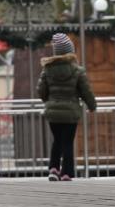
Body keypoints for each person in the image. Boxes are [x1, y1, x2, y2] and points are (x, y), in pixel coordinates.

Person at [38, 33, 97, 181]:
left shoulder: (47, 69)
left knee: (57, 140)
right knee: (68, 142)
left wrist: (49, 101)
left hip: (53, 112)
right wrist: (92, 106)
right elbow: (86, 91)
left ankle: (53, 169)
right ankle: (66, 173)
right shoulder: (77, 70)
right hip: (71, 112)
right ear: (70, 51)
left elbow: (41, 90)